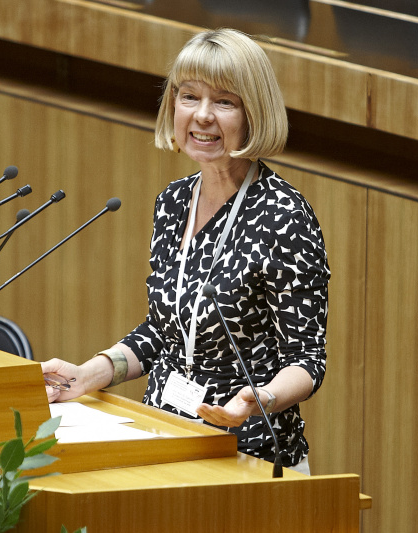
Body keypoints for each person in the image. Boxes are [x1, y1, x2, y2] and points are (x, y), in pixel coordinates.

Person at [41, 28, 329, 474]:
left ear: (254, 112)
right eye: (189, 96)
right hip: (161, 435)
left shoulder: (284, 216)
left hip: (247, 454)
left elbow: (307, 360)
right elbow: (165, 330)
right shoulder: (175, 201)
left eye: (225, 102)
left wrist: (260, 399)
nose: (203, 116)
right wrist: (89, 373)